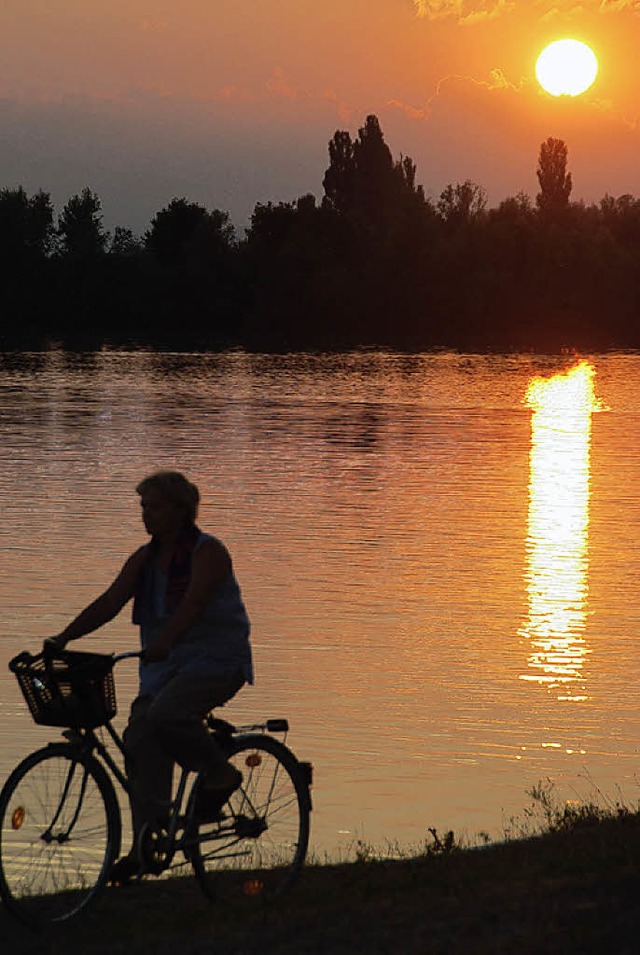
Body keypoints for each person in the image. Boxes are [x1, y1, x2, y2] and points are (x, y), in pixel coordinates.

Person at [45, 470, 253, 884]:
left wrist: (166, 641)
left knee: (165, 716)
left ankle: (220, 773)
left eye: (153, 507)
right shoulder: (144, 558)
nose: (146, 515)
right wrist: (63, 637)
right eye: (143, 507)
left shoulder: (208, 553)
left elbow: (192, 605)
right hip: (164, 668)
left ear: (180, 511)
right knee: (139, 736)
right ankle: (148, 841)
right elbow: (110, 601)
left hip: (215, 661)